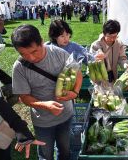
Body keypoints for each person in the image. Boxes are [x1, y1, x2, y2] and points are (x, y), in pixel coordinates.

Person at [0, 30, 45, 160]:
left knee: (3, 151)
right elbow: (2, 107)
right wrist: (23, 132)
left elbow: (3, 76)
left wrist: (18, 90)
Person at [11, 24, 82, 160]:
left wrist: (76, 92)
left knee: (65, 150)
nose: (30, 58)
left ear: (42, 42)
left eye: (34, 51)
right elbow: (24, 97)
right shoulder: (19, 67)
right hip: (42, 122)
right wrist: (44, 105)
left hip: (66, 116)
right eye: (23, 54)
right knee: (45, 154)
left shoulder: (59, 54)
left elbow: (77, 73)